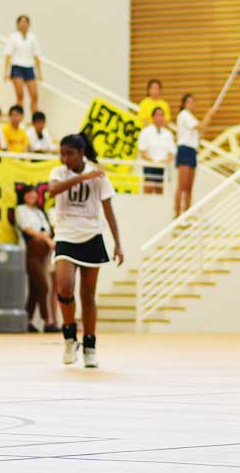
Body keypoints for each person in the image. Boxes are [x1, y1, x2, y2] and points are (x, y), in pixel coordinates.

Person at [49, 133, 123, 368]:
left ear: (81, 153)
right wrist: (82, 177)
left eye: (69, 153)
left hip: (92, 234)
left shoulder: (98, 175)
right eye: (62, 153)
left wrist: (118, 243)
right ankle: (70, 339)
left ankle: (90, 346)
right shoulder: (59, 173)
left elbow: (109, 210)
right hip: (66, 235)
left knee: (88, 296)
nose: (65, 158)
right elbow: (53, 190)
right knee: (64, 285)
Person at [15, 185, 58, 333]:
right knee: (44, 286)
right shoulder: (20, 210)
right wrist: (46, 240)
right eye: (28, 193)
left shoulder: (39, 212)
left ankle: (28, 321)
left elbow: (46, 230)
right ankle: (48, 322)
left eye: (33, 193)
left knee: (35, 289)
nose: (31, 196)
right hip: (30, 252)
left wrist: (46, 239)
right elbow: (27, 229)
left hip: (43, 254)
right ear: (24, 195)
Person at [174, 94, 217, 216]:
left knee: (189, 187)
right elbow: (201, 126)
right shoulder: (184, 115)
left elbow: (201, 131)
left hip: (192, 151)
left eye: (193, 102)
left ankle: (186, 213)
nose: (191, 104)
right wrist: (208, 115)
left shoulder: (191, 118)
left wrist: (209, 117)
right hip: (184, 150)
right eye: (188, 102)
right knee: (182, 185)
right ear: (183, 104)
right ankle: (177, 213)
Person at [4, 14, 42, 113]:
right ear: (18, 24)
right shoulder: (13, 37)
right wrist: (6, 72)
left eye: (25, 22)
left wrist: (39, 73)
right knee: (20, 95)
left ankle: (35, 117)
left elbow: (36, 56)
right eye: (21, 22)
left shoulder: (32, 37)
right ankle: (18, 118)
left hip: (29, 67)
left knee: (34, 95)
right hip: (17, 67)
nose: (23, 24)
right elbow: (8, 55)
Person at [138, 107, 175, 194]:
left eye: (162, 115)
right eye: (158, 115)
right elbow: (143, 152)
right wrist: (154, 161)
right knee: (149, 190)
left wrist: (163, 162)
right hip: (150, 166)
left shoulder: (168, 134)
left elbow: (172, 153)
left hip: (163, 167)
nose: (160, 118)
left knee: (161, 193)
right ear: (153, 117)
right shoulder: (145, 132)